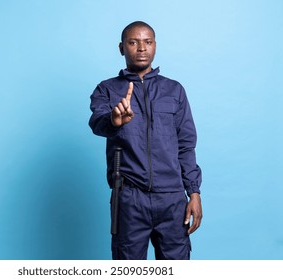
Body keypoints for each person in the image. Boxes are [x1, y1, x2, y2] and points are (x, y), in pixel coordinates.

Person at [88, 21, 202, 260]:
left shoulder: (174, 90)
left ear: (155, 46)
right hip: (130, 199)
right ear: (122, 48)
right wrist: (114, 120)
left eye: (147, 42)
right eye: (133, 42)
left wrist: (193, 193)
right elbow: (97, 123)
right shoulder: (107, 90)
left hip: (172, 199)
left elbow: (186, 144)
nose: (141, 48)